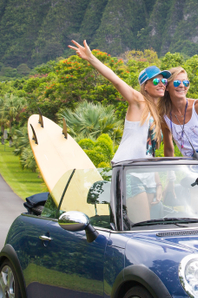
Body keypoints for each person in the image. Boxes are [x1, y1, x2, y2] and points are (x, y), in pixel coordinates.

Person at [68, 40, 169, 221]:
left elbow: (150, 153)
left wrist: (158, 184)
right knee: (141, 224)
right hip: (128, 172)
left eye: (164, 81)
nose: (161, 83)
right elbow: (115, 80)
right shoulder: (138, 102)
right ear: (145, 85)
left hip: (146, 176)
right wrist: (91, 59)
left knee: (149, 225)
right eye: (156, 80)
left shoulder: (156, 114)